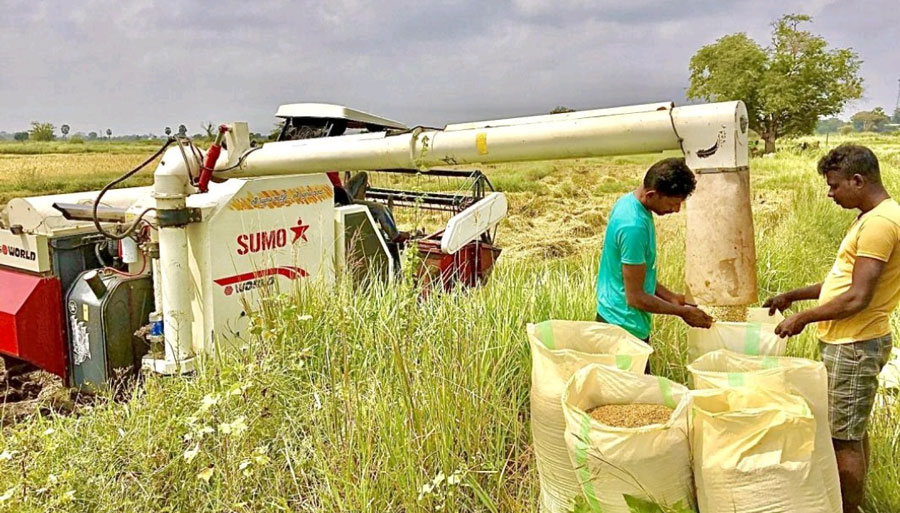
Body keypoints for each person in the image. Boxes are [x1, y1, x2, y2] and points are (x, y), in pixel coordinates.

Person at [763, 144, 898, 513]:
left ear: (858, 180)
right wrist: (793, 296)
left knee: (843, 440)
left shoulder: (881, 224)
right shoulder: (871, 218)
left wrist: (804, 318)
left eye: (835, 185)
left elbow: (857, 298)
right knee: (852, 430)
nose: (830, 192)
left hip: (854, 345)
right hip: (851, 340)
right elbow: (840, 284)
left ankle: (848, 509)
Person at [595, 157, 713, 370]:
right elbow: (636, 297)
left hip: (619, 318)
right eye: (672, 203)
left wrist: (672, 298)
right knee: (633, 397)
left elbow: (637, 275)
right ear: (651, 194)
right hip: (622, 328)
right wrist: (683, 313)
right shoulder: (633, 226)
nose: (676, 210)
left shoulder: (630, 203)